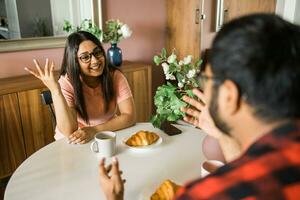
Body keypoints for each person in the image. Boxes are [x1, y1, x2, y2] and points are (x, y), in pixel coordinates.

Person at [98, 13, 300, 199]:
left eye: (206, 80)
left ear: (230, 96)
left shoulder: (207, 193)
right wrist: (222, 133)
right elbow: (251, 167)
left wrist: (114, 197)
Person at [25, 31, 136, 144]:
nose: (95, 60)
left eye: (97, 52)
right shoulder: (67, 82)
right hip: (76, 138)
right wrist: (55, 90)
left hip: (107, 132)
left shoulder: (115, 76)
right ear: (75, 62)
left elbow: (130, 116)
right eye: (85, 57)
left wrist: (94, 130)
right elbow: (69, 130)